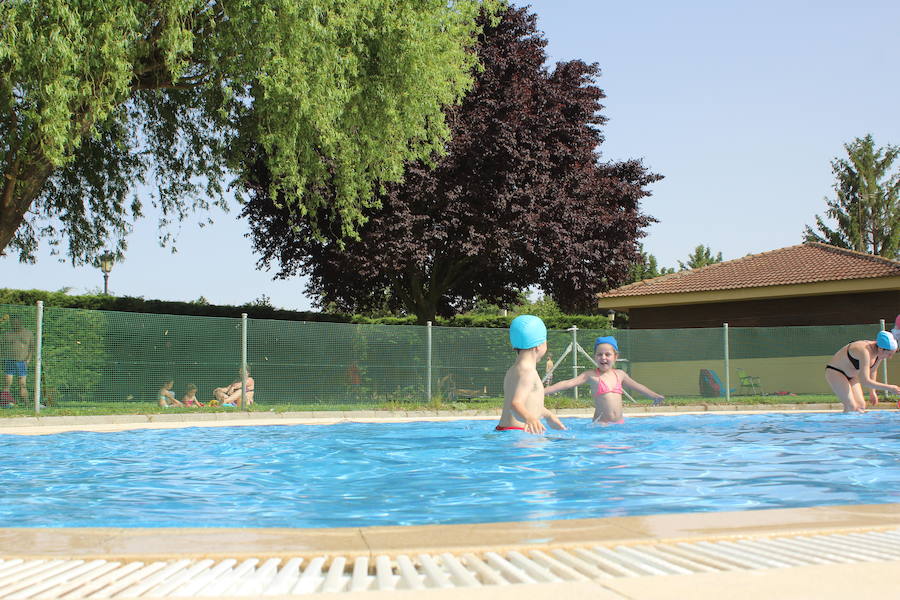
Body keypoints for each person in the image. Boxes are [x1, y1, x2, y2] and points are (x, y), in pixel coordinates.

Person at [544, 336, 664, 424]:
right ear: (594, 356)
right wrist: (543, 391)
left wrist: (654, 395)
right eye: (599, 354)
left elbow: (638, 386)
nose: (603, 358)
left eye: (607, 354)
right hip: (601, 425)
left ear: (615, 357)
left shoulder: (620, 374)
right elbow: (568, 383)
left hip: (619, 423)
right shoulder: (591, 375)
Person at [497, 315, 566, 434]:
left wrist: (548, 415)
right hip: (519, 433)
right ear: (539, 345)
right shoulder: (528, 372)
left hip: (505, 430)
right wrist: (530, 419)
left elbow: (530, 403)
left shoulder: (513, 370)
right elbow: (516, 404)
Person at [825, 330, 899, 413]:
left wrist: (872, 392)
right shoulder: (864, 351)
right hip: (836, 372)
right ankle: (844, 425)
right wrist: (890, 388)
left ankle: (854, 425)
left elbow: (873, 371)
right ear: (881, 349)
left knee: (860, 406)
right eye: (889, 354)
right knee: (851, 406)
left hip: (852, 376)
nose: (890, 357)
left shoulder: (879, 354)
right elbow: (865, 381)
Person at [2, 316, 33, 406]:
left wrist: (28, 360)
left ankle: (27, 404)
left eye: (17, 322)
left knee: (22, 384)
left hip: (22, 362)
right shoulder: (7, 334)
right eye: (13, 323)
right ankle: (5, 403)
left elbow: (32, 348)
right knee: (7, 383)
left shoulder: (28, 333)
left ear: (20, 322)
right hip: (9, 361)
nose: (15, 324)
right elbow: (2, 347)